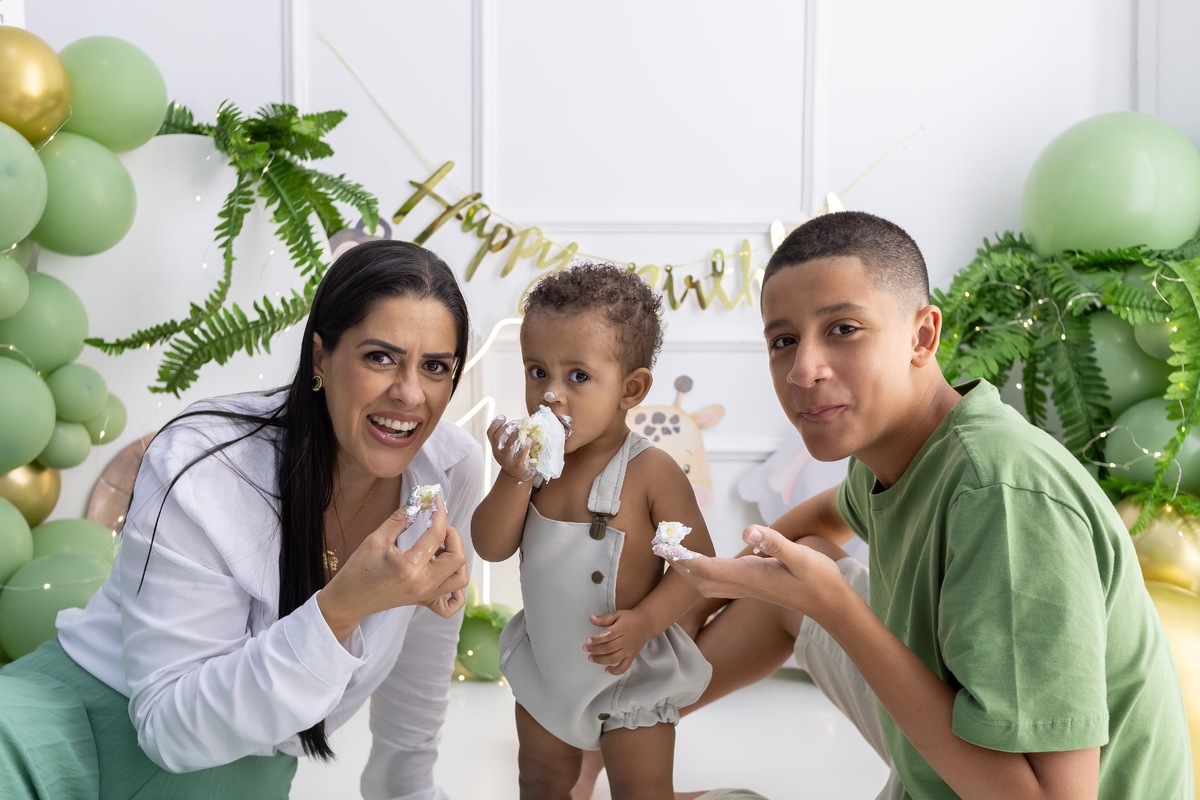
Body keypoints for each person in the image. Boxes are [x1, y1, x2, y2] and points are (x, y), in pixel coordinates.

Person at [643, 210, 1193, 798]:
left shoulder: (1000, 495)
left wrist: (836, 608)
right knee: (800, 562)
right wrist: (700, 600)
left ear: (922, 336)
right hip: (952, 761)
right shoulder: (897, 447)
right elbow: (815, 525)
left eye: (843, 329)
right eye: (783, 341)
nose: (804, 370)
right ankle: (617, 740)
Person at [0, 239, 482, 800]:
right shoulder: (205, 459)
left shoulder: (449, 472)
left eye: (435, 367)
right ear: (321, 358)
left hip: (235, 778)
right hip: (62, 729)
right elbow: (167, 728)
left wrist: (409, 792)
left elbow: (420, 666)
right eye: (380, 357)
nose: (409, 393)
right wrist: (344, 606)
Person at [472, 262, 716, 799]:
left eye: (577, 377)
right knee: (539, 779)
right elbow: (490, 548)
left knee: (642, 790)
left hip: (631, 670)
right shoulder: (531, 467)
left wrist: (645, 622)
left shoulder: (651, 471)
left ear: (631, 388)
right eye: (537, 371)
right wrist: (512, 480)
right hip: (549, 665)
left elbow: (698, 568)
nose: (551, 395)